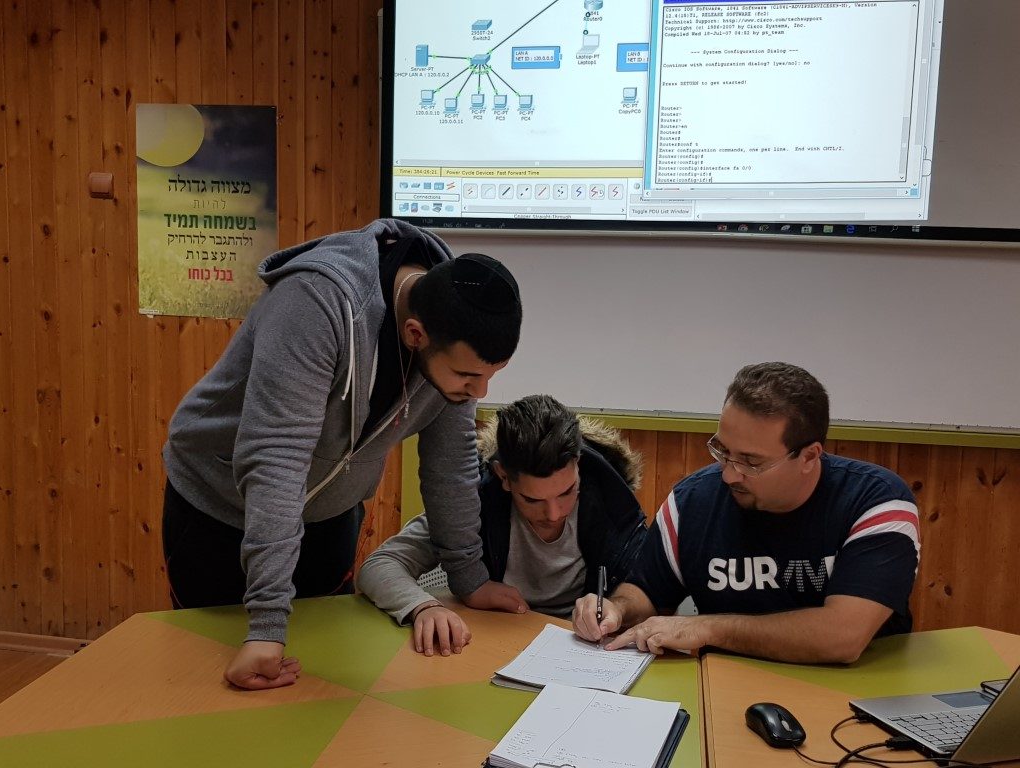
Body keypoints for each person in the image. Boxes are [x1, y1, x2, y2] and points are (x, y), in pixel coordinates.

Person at [161, 218, 523, 689]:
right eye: (469, 377)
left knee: (321, 673)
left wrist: (469, 579)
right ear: (416, 334)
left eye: (491, 376)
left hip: (329, 514)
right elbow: (276, 461)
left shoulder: (456, 321)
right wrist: (267, 625)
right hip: (220, 506)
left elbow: (451, 465)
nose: (479, 391)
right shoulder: (317, 301)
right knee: (207, 677)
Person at [573, 362, 921, 665]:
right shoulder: (691, 501)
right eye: (722, 451)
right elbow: (647, 591)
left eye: (751, 462)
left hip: (855, 691)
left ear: (809, 457)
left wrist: (708, 628)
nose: (729, 475)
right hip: (726, 686)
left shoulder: (876, 503)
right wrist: (617, 609)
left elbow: (842, 638)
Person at [357, 394, 648, 657]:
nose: (554, 514)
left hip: (582, 652)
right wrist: (424, 607)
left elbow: (650, 590)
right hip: (490, 647)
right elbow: (380, 565)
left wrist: (618, 607)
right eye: (532, 499)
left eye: (567, 492)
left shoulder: (613, 504)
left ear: (578, 465)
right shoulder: (473, 504)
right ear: (503, 476)